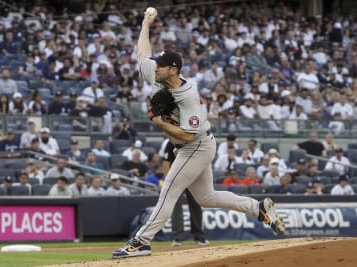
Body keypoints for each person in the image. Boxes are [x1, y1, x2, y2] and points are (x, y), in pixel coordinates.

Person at [112, 8, 284, 259]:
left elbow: (187, 137)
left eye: (161, 65)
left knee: (169, 188)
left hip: (196, 145)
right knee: (207, 197)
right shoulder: (159, 74)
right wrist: (146, 24)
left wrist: (159, 122)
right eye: (156, 65)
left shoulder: (188, 95)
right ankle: (258, 208)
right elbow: (142, 53)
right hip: (195, 144)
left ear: (173, 69)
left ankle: (141, 241)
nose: (155, 68)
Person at [162, 141, 209, 246]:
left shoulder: (194, 141)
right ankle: (177, 237)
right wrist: (168, 182)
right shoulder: (172, 143)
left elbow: (201, 162)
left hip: (192, 178)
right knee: (176, 208)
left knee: (196, 206)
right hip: (176, 179)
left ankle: (199, 237)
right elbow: (165, 163)